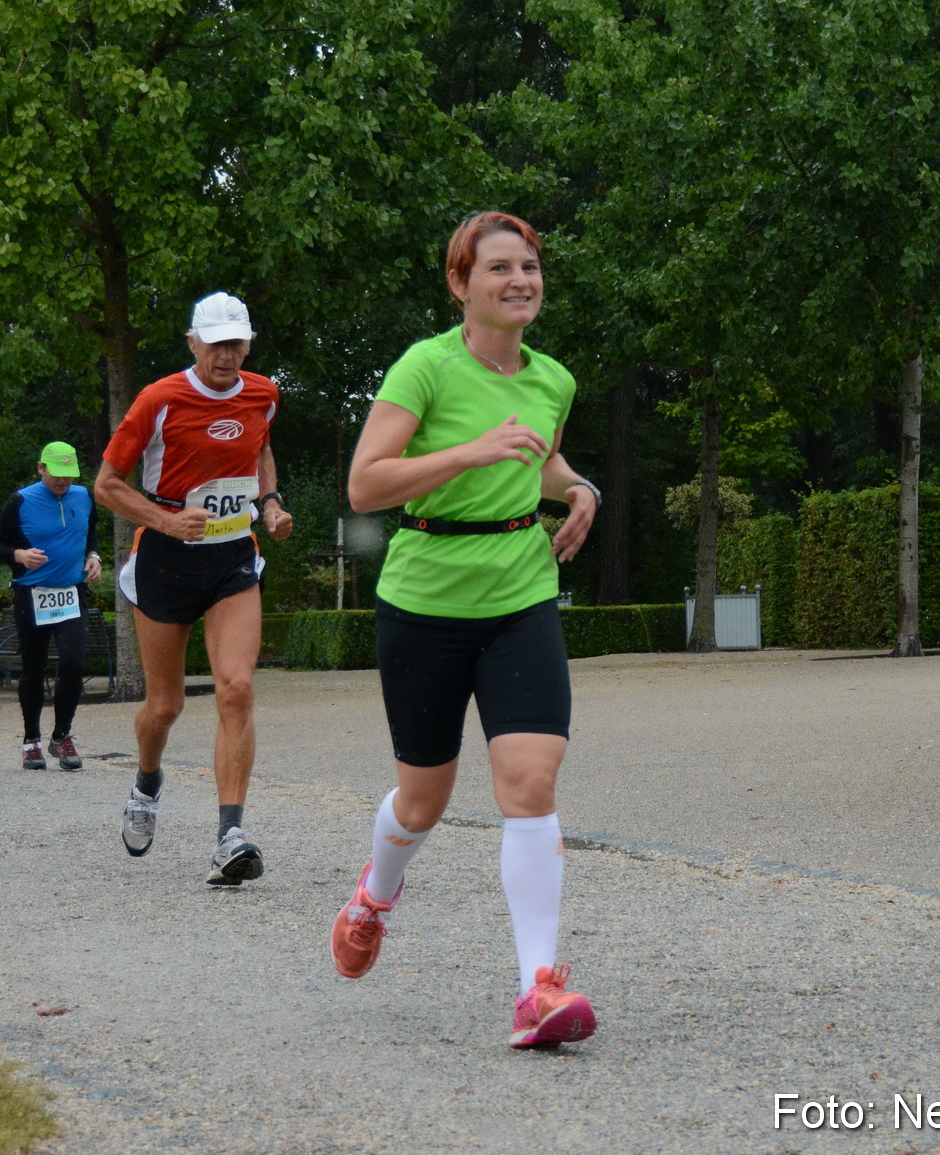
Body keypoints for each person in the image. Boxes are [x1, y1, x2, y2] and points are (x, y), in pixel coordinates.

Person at [329, 212, 600, 1049]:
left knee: (530, 777)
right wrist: (465, 453)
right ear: (460, 284)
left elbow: (536, 459)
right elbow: (367, 484)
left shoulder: (553, 377)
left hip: (520, 593)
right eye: (500, 269)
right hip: (425, 598)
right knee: (424, 797)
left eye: (531, 266)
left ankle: (537, 988)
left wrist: (577, 487)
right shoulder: (426, 367)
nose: (521, 280)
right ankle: (376, 893)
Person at [95, 291, 293, 885]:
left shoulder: (265, 393)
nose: (227, 355)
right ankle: (147, 783)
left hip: (232, 558)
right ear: (193, 343)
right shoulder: (159, 399)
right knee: (166, 705)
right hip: (164, 560)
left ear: (248, 343)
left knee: (236, 689)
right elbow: (107, 484)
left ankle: (230, 834)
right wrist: (163, 520)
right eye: (215, 344)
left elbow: (260, 449)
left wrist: (271, 503)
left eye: (237, 342)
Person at [0, 442, 103, 770]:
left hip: (71, 593)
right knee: (34, 667)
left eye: (69, 476)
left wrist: (93, 556)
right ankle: (31, 741)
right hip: (31, 593)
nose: (63, 482)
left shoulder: (83, 497)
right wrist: (19, 556)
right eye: (57, 475)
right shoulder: (21, 500)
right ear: (41, 468)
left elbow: (91, 532)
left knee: (73, 663)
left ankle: (61, 736)